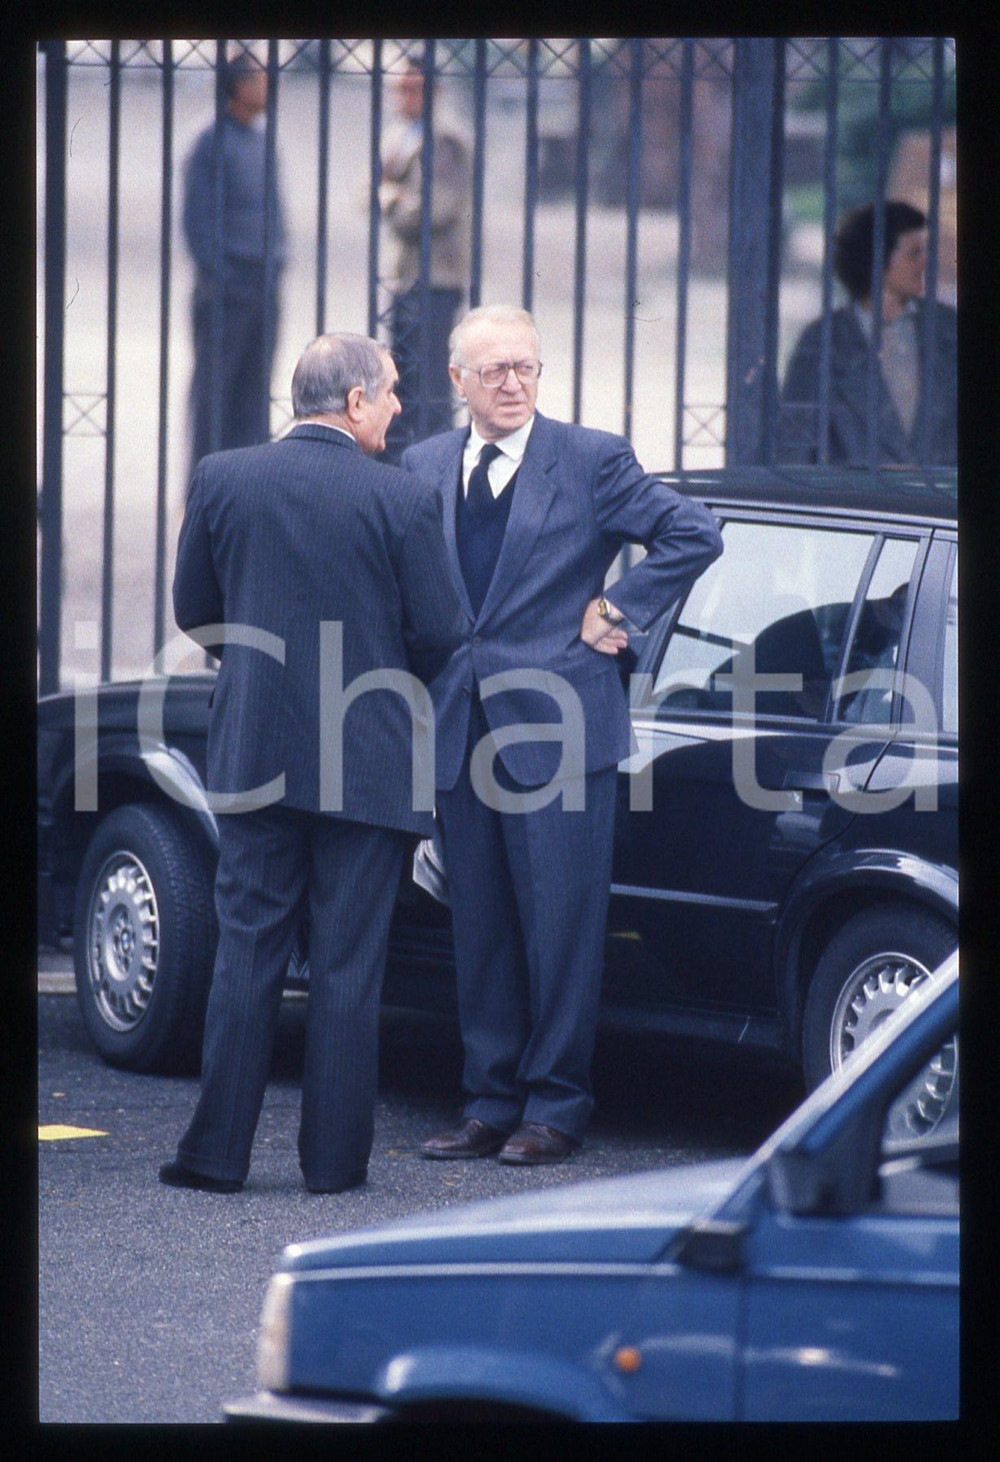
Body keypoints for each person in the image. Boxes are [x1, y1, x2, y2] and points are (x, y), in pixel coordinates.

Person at [402, 305, 723, 1166]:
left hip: (561, 729)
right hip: (461, 726)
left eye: (527, 368)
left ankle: (555, 1106)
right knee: (482, 926)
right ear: (457, 380)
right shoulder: (424, 463)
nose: (513, 383)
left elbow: (694, 533)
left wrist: (620, 608)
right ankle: (488, 1100)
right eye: (495, 370)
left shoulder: (589, 460)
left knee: (561, 928)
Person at [159, 334, 464, 1194]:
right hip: (368, 764)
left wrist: (257, 659)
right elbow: (442, 632)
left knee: (246, 954)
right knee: (346, 967)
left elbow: (194, 610)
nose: (401, 408)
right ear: (356, 402)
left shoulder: (223, 477)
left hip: (256, 750)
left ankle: (214, 1155)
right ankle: (334, 1165)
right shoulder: (402, 500)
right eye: (393, 393)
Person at [777, 201, 957, 466]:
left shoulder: (949, 328)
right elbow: (794, 447)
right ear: (877, 258)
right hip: (858, 502)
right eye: (914, 253)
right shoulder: (823, 340)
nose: (926, 262)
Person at [182, 52, 286, 484]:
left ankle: (246, 486)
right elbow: (197, 221)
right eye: (259, 80)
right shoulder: (211, 143)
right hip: (227, 289)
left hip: (263, 284)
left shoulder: (262, 141)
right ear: (238, 87)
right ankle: (205, 486)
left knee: (254, 392)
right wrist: (222, 275)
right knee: (215, 394)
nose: (267, 88)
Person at [379, 59, 471, 461]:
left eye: (411, 88)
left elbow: (436, 209)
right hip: (406, 274)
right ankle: (400, 465)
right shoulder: (400, 134)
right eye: (399, 88)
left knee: (431, 383)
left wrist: (390, 199)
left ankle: (436, 465)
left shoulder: (443, 139)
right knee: (403, 379)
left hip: (436, 276)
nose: (402, 97)